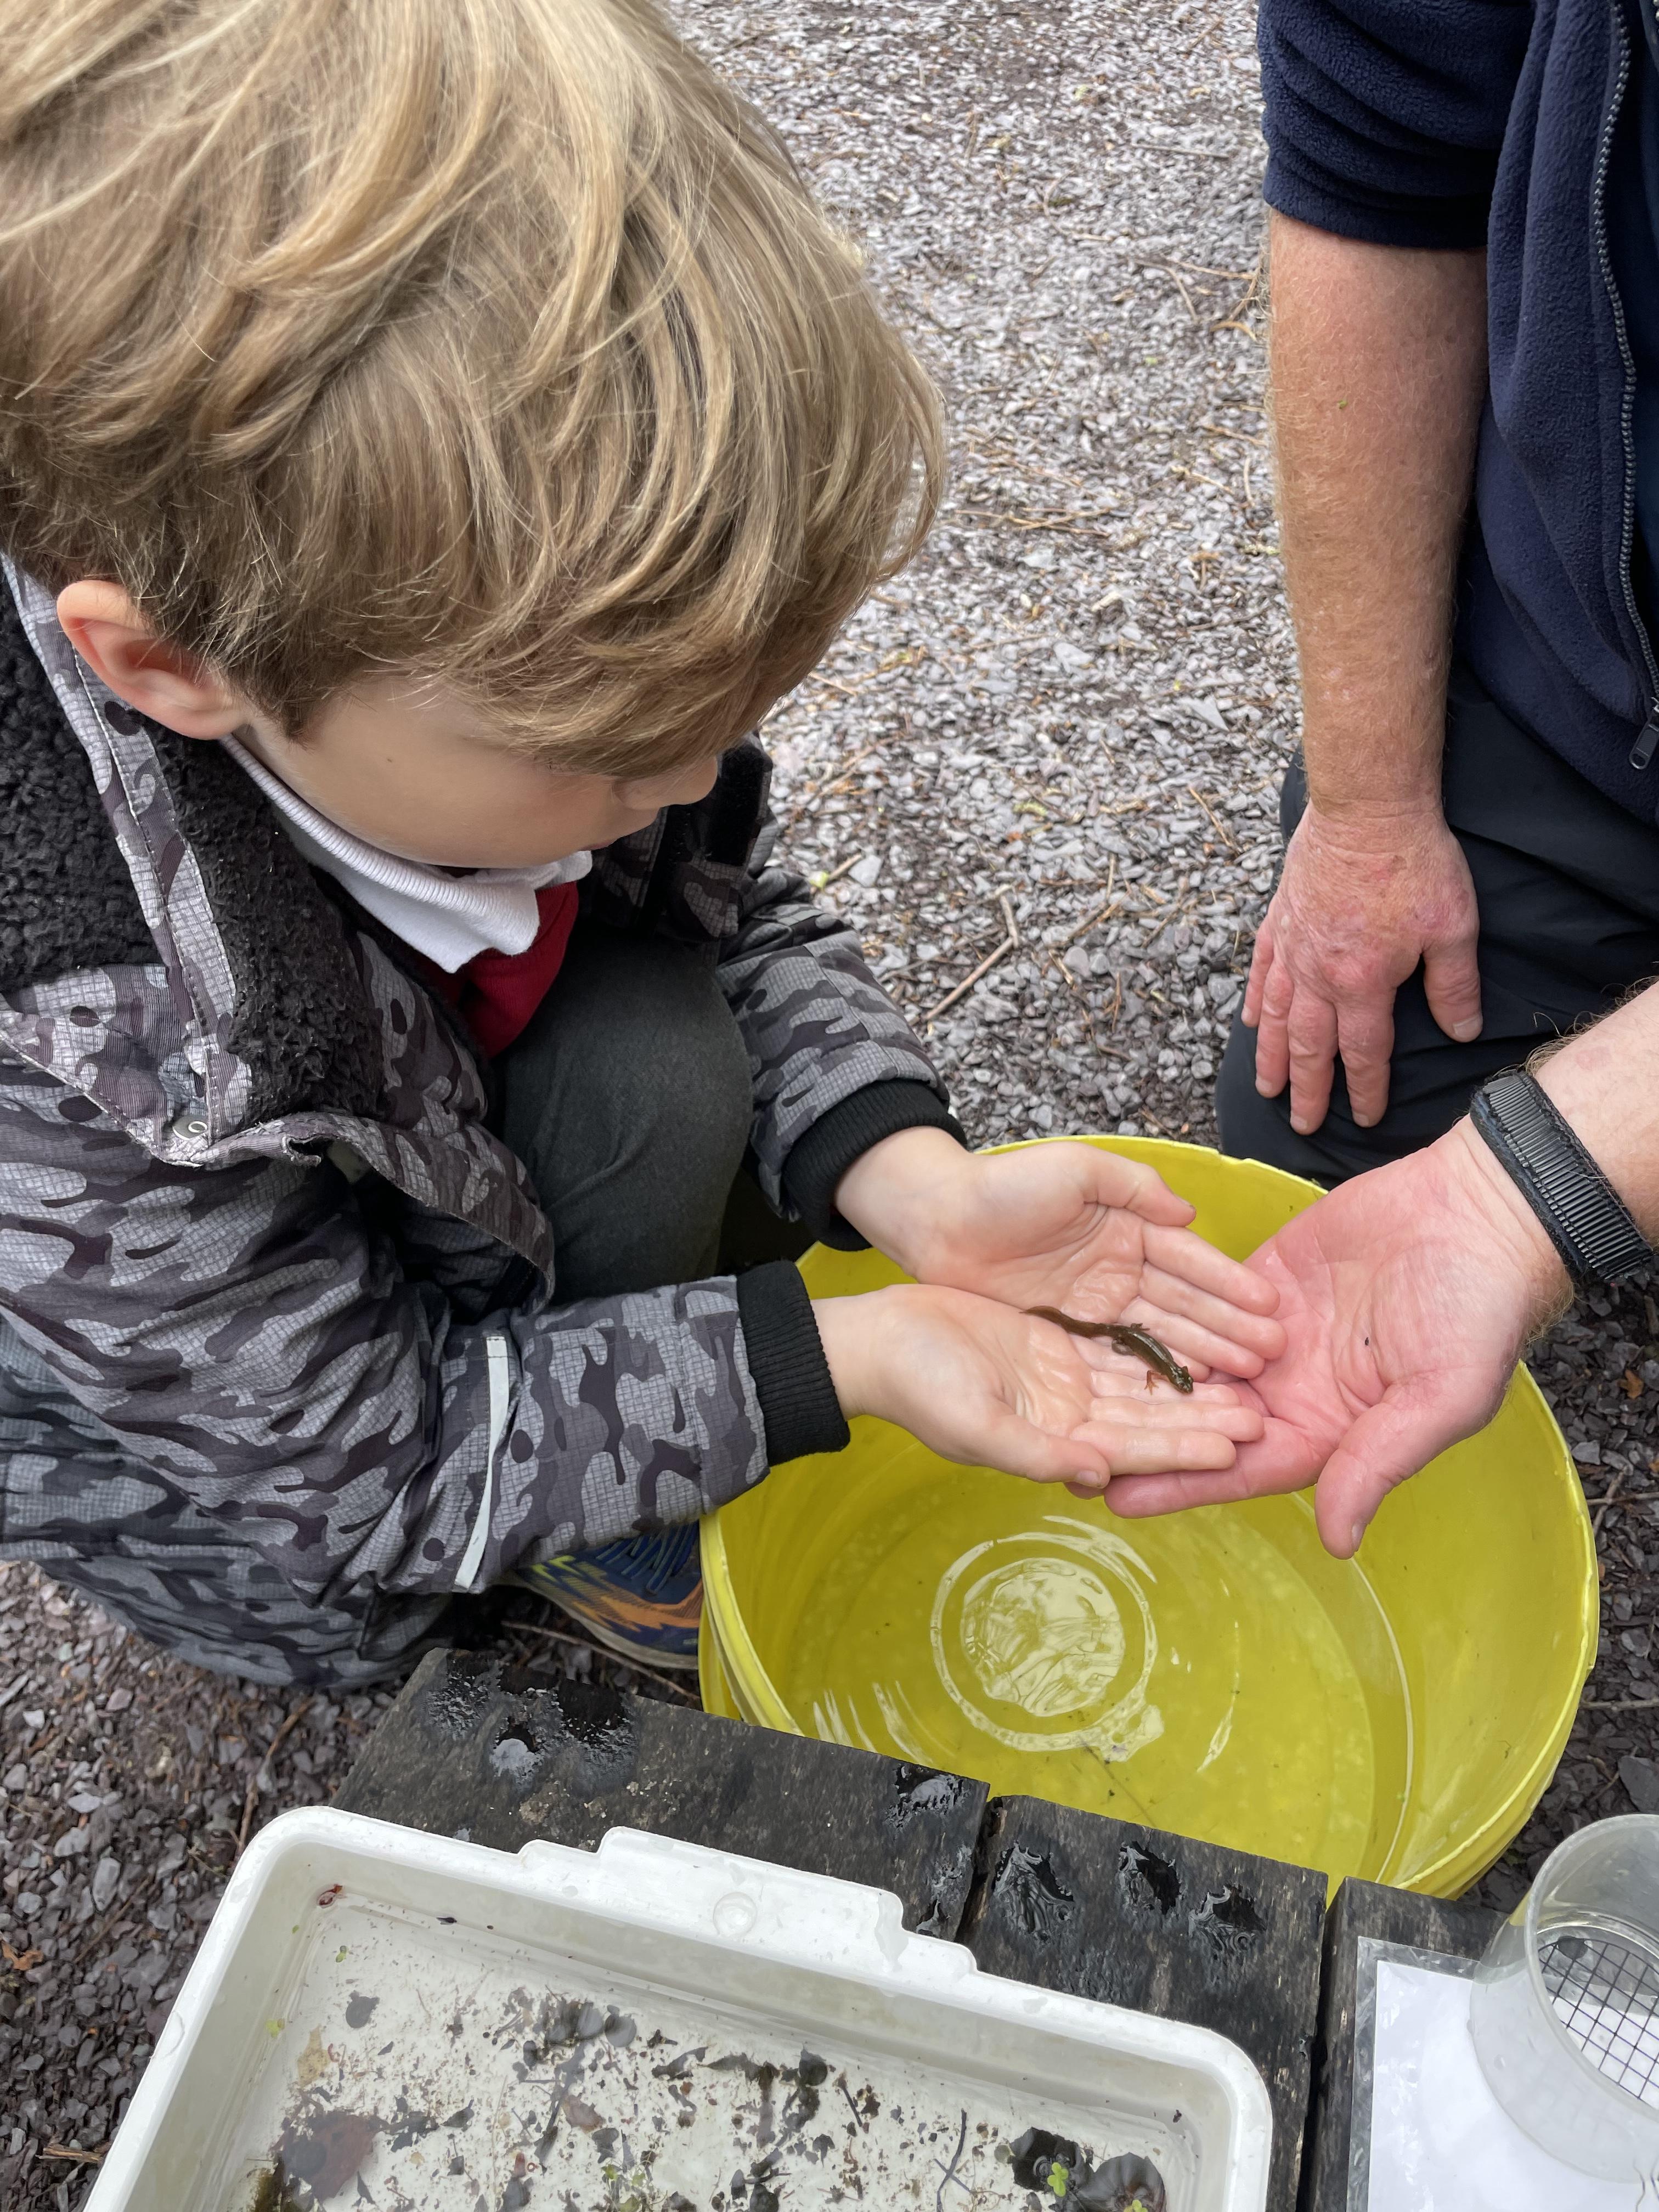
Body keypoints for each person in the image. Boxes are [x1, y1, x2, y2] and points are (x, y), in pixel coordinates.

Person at [0, 0, 1284, 1688]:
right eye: (613, 753)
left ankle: (632, 1361)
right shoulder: (71, 1064)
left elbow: (729, 900)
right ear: (173, 668)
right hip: (300, 1504)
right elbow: (374, 1469)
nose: (694, 774)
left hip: (430, 1134)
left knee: (664, 1067)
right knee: (477, 1472)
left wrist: (911, 1175)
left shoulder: (468, 689)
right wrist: (841, 1357)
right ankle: (586, 1546)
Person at [1108, 0, 1659, 1553]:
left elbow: (1517, 1188)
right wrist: (1368, 811)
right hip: (1596, 700)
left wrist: (1530, 1187)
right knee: (1316, 1134)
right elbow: (1378, 164)